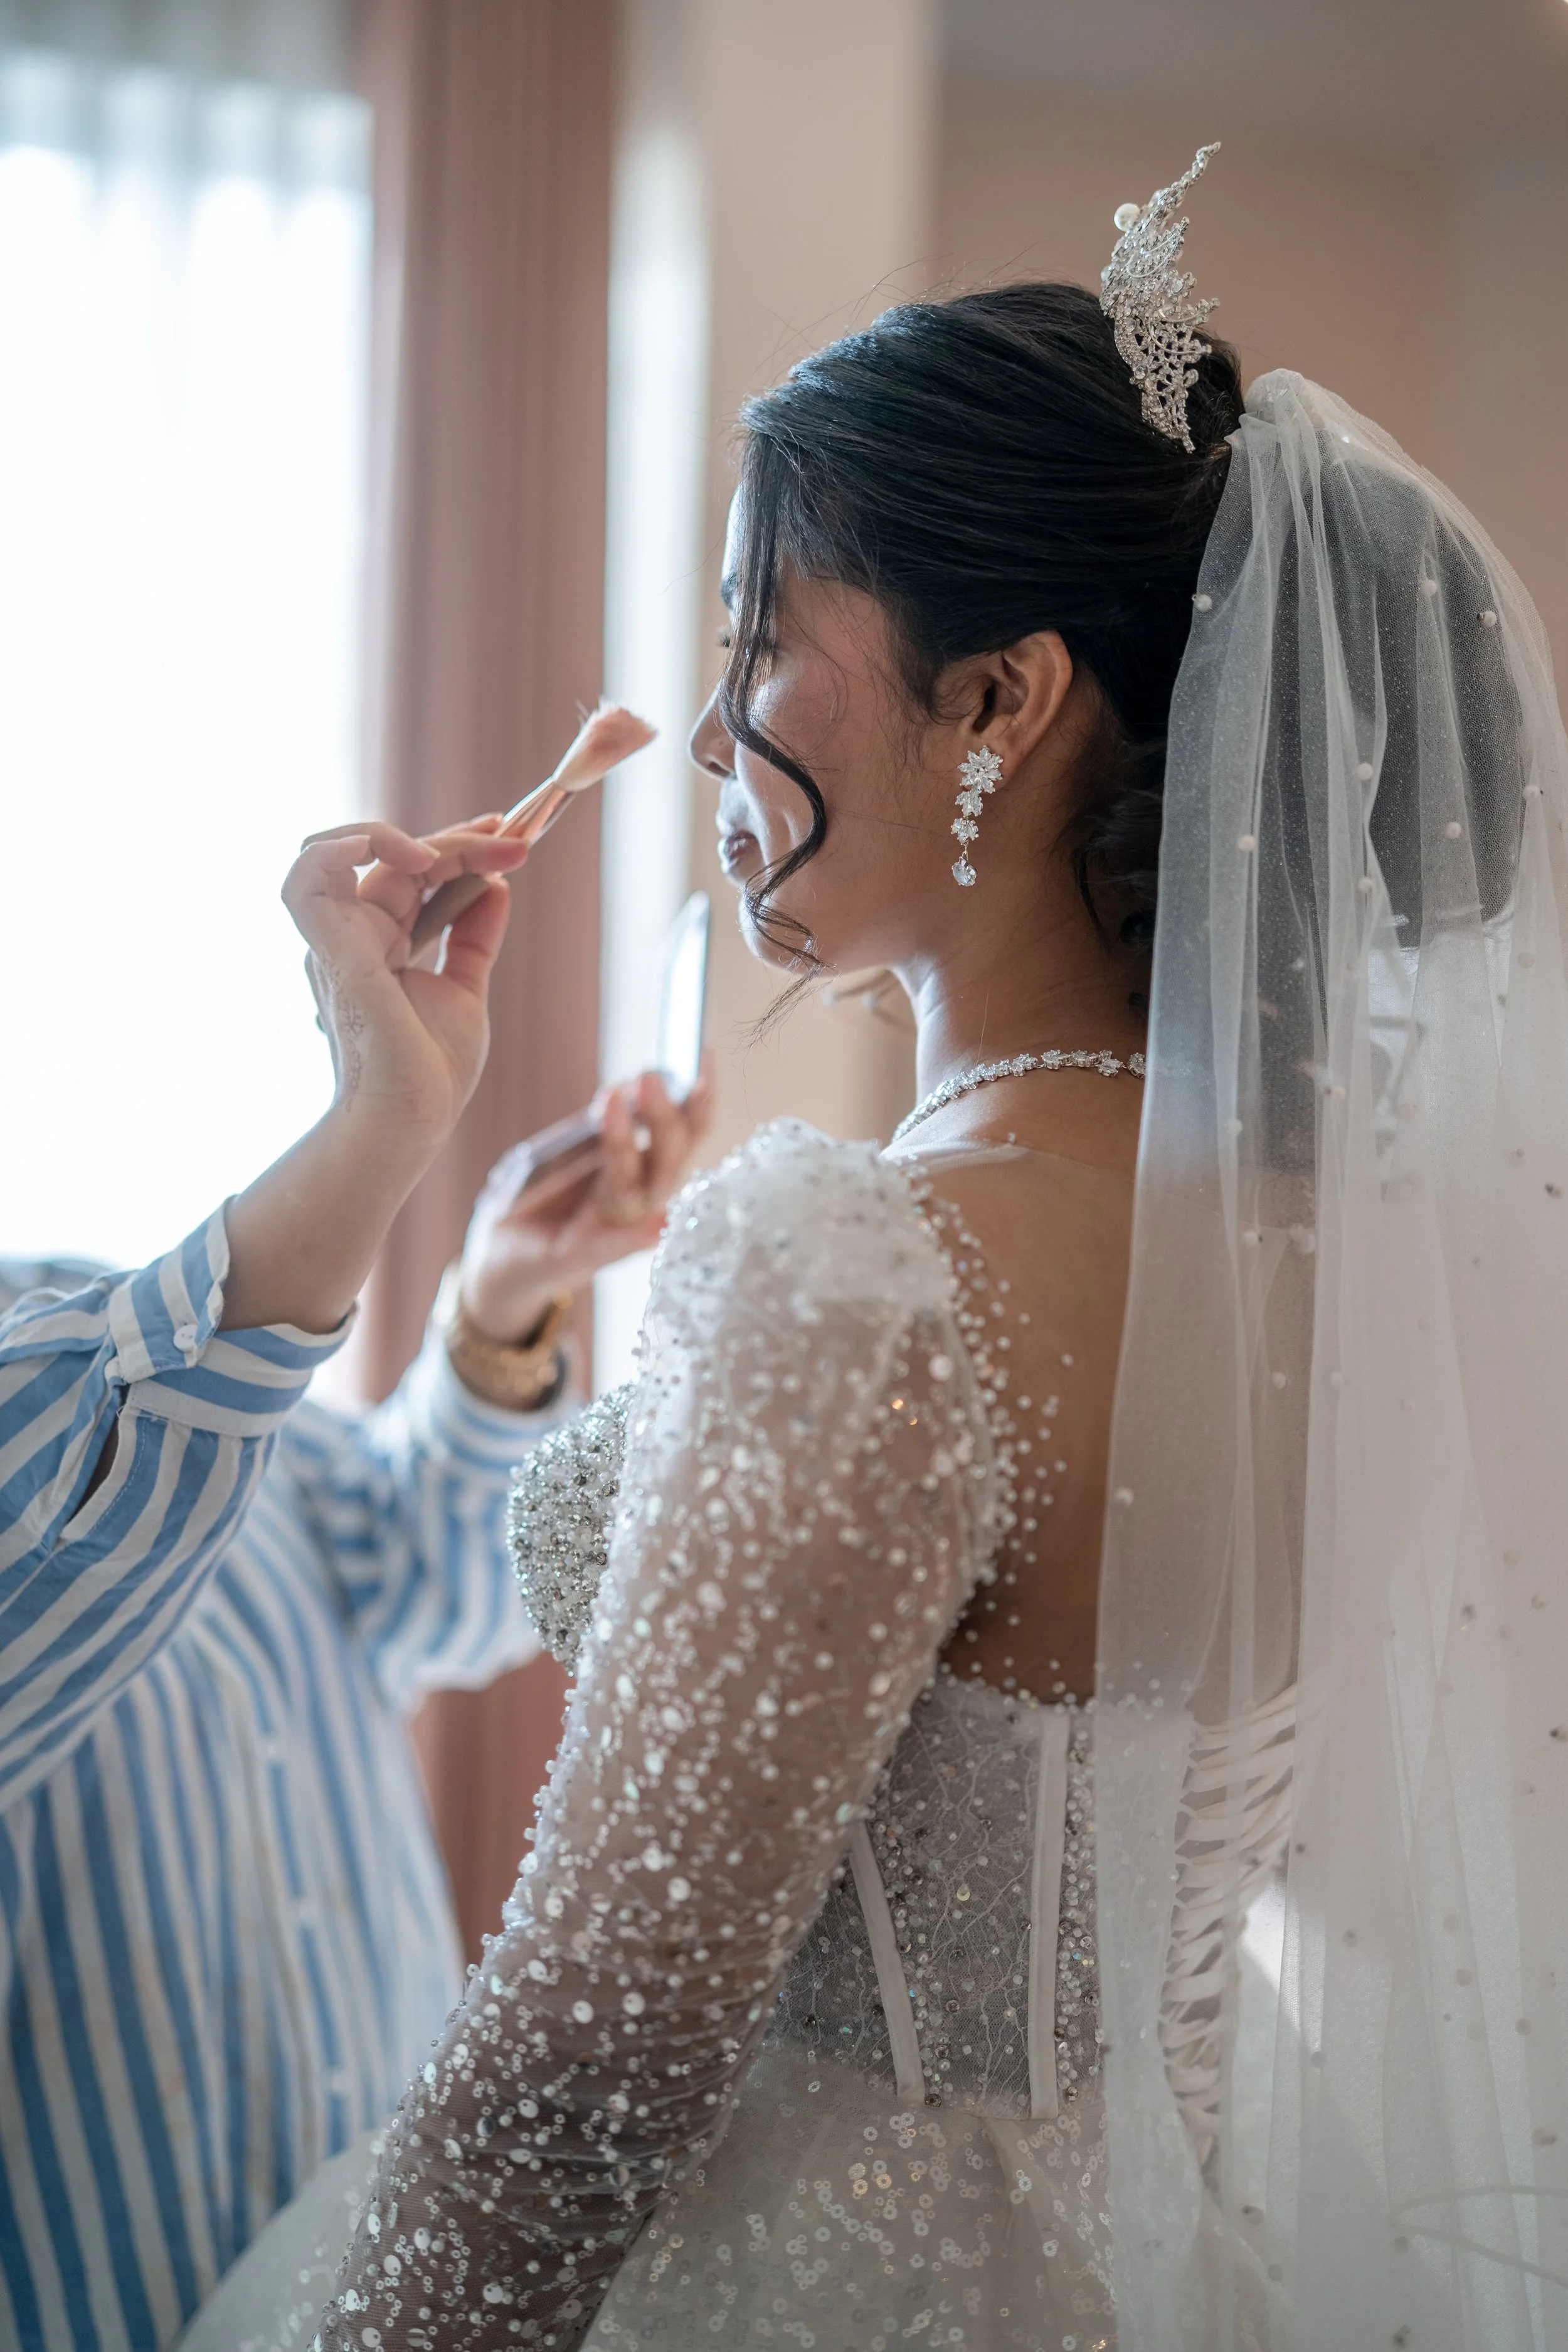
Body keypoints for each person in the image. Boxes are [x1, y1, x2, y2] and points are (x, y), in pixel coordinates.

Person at [235, 148, 1563, 2351]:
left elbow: (585, 2067)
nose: (721, 729)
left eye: (769, 635)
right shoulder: (1347, 1254)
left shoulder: (865, 1276)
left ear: (999, 702)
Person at [0, 808, 711, 2352]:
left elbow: (438, 1584)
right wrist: (375, 1129)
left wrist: (497, 1303)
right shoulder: (77, 1410)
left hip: (404, 2287)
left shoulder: (111, 1324)